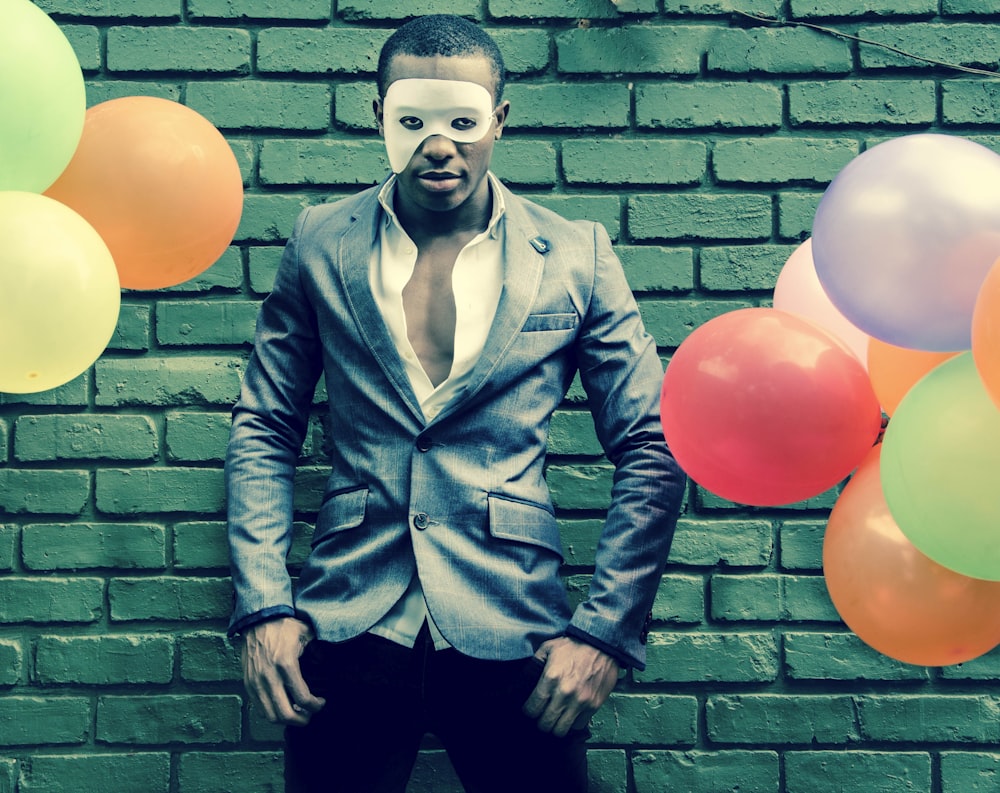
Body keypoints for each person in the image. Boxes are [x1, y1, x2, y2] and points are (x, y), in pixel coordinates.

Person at [225, 14, 686, 793]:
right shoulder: (317, 241)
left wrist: (606, 634)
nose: (439, 146)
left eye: (462, 121)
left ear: (499, 122)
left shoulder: (576, 254)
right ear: (378, 118)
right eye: (413, 120)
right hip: (346, 624)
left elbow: (653, 441)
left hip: (518, 632)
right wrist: (264, 605)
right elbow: (266, 424)